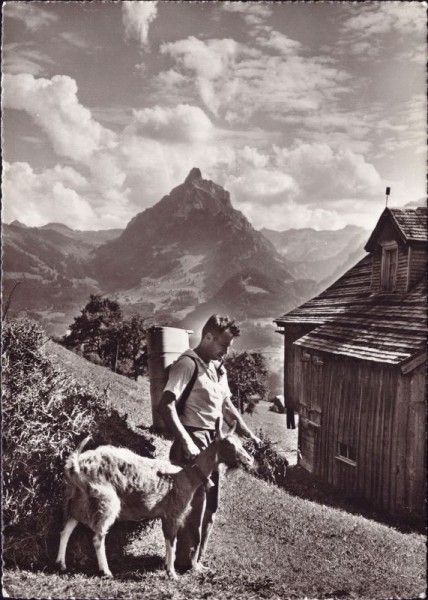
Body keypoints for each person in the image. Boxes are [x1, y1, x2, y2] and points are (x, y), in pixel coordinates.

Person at [157, 314, 261, 572]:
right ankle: (181, 562)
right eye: (223, 345)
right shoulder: (187, 364)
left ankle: (195, 560)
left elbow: (227, 407)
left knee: (210, 505)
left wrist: (250, 436)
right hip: (192, 438)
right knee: (191, 504)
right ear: (208, 337)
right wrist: (186, 441)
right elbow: (166, 405)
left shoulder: (218, 369)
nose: (226, 351)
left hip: (214, 444)